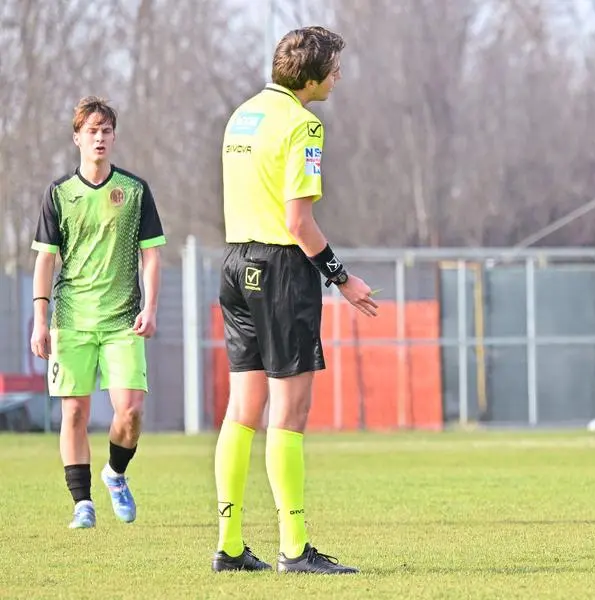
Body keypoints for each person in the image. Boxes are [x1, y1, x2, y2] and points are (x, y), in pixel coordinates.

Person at [211, 26, 378, 575]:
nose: (338, 76)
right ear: (309, 75)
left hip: (236, 264)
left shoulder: (243, 114)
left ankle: (230, 545)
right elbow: (298, 222)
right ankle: (294, 548)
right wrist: (343, 278)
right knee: (289, 413)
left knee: (242, 411)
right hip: (282, 271)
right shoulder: (304, 124)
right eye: (333, 67)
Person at [30, 96, 166, 529]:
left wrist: (150, 306)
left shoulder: (135, 191)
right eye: (91, 130)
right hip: (71, 319)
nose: (100, 137)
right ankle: (82, 504)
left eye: (106, 130)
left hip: (123, 319)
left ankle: (116, 473)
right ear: (77, 138)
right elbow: (45, 261)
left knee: (130, 411)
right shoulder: (59, 194)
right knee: (74, 412)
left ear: (114, 136)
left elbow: (152, 256)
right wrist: (40, 320)